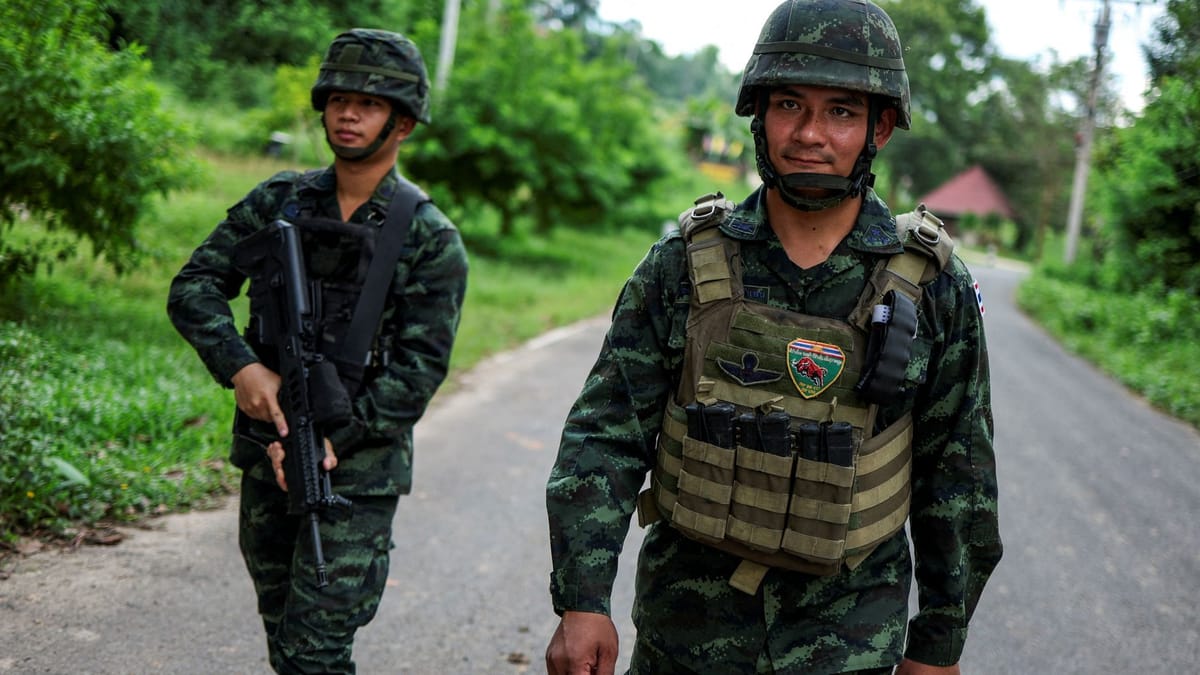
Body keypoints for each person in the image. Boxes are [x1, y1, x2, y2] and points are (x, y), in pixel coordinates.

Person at [543, 1, 1001, 673]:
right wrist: (582, 600)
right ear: (758, 114)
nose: (810, 133)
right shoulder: (682, 264)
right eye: (790, 104)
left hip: (849, 645)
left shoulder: (933, 284)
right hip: (685, 637)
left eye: (841, 111)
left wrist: (938, 644)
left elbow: (958, 476)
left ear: (879, 127)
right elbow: (607, 434)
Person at [167, 29, 468, 674]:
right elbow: (194, 287)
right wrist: (241, 366)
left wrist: (333, 438)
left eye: (369, 104)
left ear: (403, 122)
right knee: (284, 638)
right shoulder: (278, 201)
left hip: (356, 475)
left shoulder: (429, 238)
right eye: (338, 100)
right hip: (265, 452)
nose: (348, 114)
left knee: (314, 654)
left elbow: (418, 371)